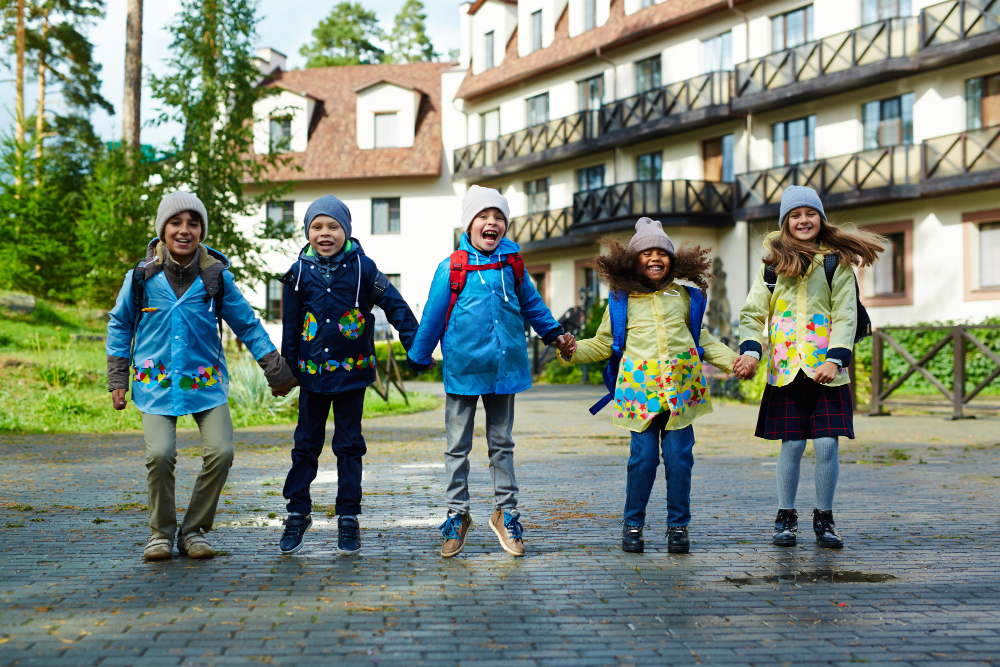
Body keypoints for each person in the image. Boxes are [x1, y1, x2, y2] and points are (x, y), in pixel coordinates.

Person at [107, 191, 297, 561]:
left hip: (204, 383)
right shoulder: (141, 277)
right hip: (156, 384)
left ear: (201, 231)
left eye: (193, 224)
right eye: (176, 223)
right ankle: (160, 533)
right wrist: (118, 380)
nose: (184, 230)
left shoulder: (215, 278)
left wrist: (276, 371)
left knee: (222, 452)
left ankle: (193, 530)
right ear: (162, 229)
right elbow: (120, 325)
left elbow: (248, 325)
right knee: (160, 455)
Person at [407, 185, 575, 558]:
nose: (491, 222)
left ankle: (505, 512)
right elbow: (434, 314)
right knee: (457, 446)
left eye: (498, 217)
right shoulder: (452, 266)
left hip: (504, 368)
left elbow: (532, 304)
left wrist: (555, 334)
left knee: (502, 444)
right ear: (468, 224)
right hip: (464, 370)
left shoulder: (513, 264)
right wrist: (419, 356)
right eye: (483, 216)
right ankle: (457, 514)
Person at [559, 218, 736, 554]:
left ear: (673, 259)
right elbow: (603, 343)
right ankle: (633, 523)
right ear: (632, 261)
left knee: (679, 460)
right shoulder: (621, 300)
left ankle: (678, 527)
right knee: (642, 460)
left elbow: (703, 340)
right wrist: (571, 350)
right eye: (647, 253)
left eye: (662, 253)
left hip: (681, 394)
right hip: (640, 396)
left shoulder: (684, 297)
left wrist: (735, 361)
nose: (656, 258)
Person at [733, 185, 884, 549]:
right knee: (793, 445)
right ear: (786, 222)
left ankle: (825, 518)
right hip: (786, 371)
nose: (803, 220)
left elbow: (846, 316)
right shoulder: (771, 266)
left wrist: (835, 359)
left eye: (810, 213)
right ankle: (785, 517)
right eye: (795, 215)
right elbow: (753, 314)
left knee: (827, 446)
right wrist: (752, 352)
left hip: (826, 372)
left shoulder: (835, 263)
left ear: (821, 218)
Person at [277, 195, 420, 557]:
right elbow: (291, 327)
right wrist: (285, 371)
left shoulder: (363, 269)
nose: (325, 233)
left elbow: (396, 306)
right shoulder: (297, 274)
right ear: (307, 232)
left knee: (349, 445)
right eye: (317, 227)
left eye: (333, 226)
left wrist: (415, 347)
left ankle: (348, 517)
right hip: (311, 377)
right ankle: (297, 511)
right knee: (305, 444)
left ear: (347, 231)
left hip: (352, 377)